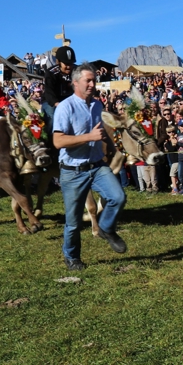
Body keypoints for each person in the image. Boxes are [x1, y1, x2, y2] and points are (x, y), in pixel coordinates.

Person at [52, 63, 127, 270]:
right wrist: (89, 137)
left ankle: (106, 227)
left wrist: (112, 146)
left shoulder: (97, 105)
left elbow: (100, 131)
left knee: (118, 197)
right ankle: (72, 257)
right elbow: (58, 142)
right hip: (72, 171)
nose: (93, 84)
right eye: (88, 80)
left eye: (94, 80)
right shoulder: (65, 107)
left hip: (97, 166)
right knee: (74, 222)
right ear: (75, 83)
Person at [42, 45, 75, 120]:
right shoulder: (51, 73)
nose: (69, 67)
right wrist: (58, 104)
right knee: (53, 116)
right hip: (52, 102)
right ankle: (51, 131)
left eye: (71, 64)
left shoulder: (78, 71)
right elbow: (49, 92)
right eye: (66, 64)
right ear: (58, 62)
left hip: (70, 101)